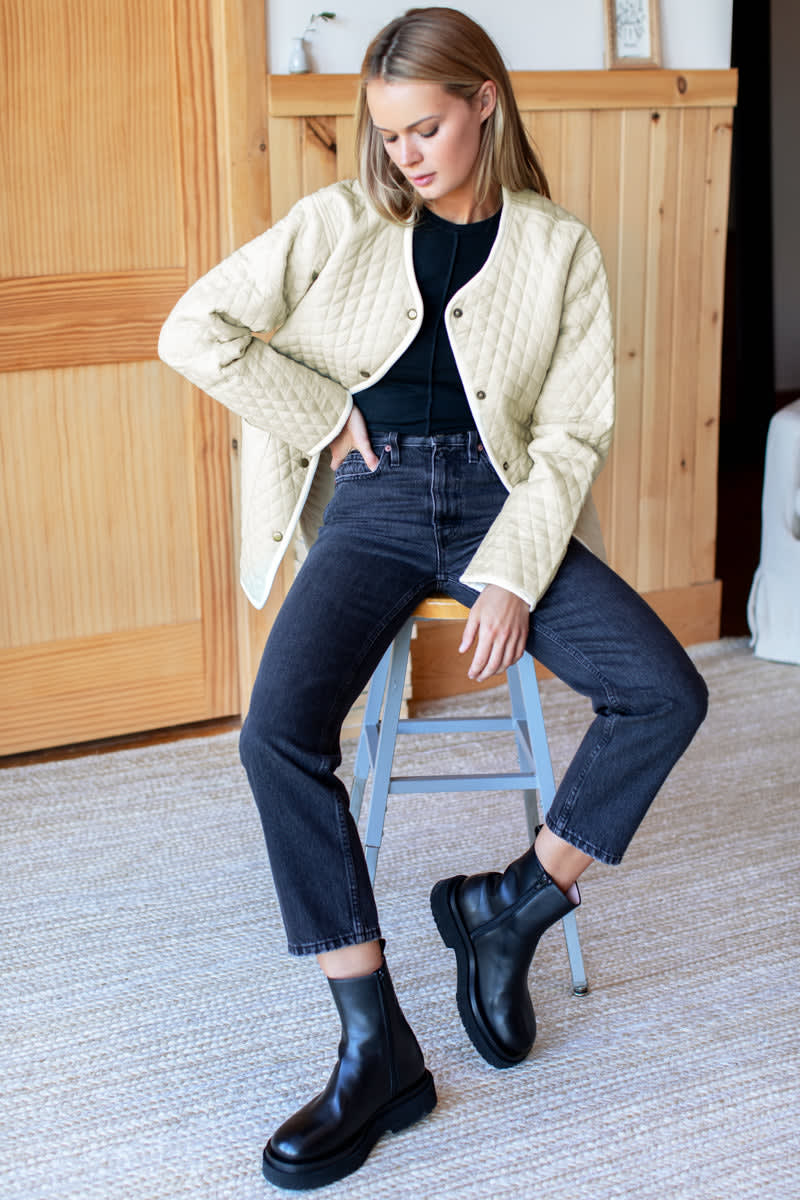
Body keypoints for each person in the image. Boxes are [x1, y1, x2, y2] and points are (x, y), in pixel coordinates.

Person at [159, 6, 708, 1189]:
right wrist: (320, 413)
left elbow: (570, 434)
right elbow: (192, 328)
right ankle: (375, 1048)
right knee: (274, 736)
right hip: (372, 504)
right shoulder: (340, 220)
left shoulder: (557, 248)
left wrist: (510, 570)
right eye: (387, 134)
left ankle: (511, 905)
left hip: (503, 505)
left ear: (483, 104)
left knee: (664, 692)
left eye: (424, 128)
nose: (403, 154)